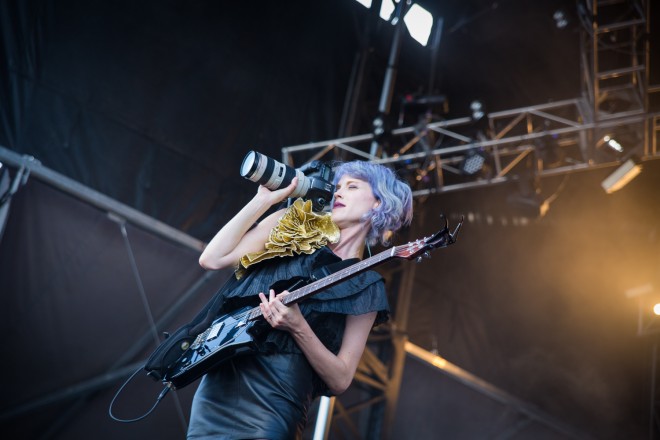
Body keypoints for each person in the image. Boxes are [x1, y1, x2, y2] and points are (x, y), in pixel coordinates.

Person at [187, 160, 413, 439]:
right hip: (218, 391)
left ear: (378, 204)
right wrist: (262, 201)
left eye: (352, 187)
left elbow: (341, 378)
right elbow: (212, 258)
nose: (338, 193)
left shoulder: (366, 285)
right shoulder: (290, 231)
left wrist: (298, 327)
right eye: (337, 187)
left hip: (275, 402)